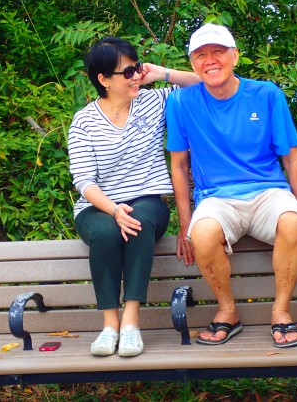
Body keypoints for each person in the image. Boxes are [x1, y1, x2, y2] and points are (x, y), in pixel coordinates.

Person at [165, 24, 297, 348]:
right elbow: (179, 166)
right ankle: (227, 310)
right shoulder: (181, 103)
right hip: (216, 199)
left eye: (218, 52)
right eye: (200, 55)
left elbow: (292, 160)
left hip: (269, 192)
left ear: (235, 56)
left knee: (293, 223)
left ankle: (280, 312)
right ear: (192, 63)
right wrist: (185, 225)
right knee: (203, 232)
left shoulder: (266, 95)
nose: (210, 60)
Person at [68, 36, 200, 357]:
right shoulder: (84, 122)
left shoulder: (152, 102)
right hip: (98, 207)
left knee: (137, 220)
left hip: (148, 203)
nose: (136, 77)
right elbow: (84, 182)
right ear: (103, 80)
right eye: (127, 72)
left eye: (137, 68)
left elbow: (202, 85)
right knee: (105, 231)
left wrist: (163, 73)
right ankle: (109, 324)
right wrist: (113, 210)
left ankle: (130, 322)